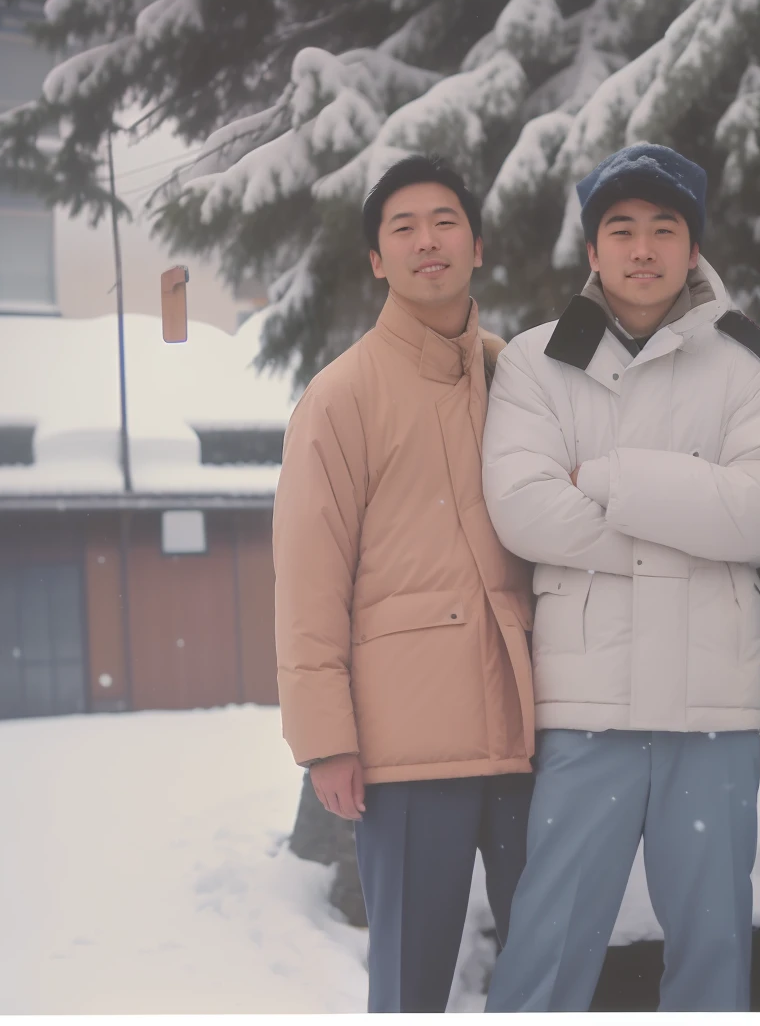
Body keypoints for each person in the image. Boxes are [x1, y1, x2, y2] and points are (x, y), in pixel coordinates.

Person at [479, 143, 760, 1012]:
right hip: (588, 702)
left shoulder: (747, 361)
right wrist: (701, 523)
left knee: (713, 945)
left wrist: (615, 481)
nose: (643, 248)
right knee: (548, 938)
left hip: (714, 703)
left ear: (692, 248)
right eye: (620, 230)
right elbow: (524, 509)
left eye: (665, 229)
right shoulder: (536, 361)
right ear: (592, 251)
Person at [272, 154, 536, 1013]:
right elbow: (308, 578)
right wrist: (327, 738)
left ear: (477, 244)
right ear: (379, 260)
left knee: (547, 969)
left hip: (530, 734)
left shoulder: (518, 378)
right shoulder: (342, 395)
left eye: (445, 221)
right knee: (410, 984)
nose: (428, 240)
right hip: (406, 749)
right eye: (403, 228)